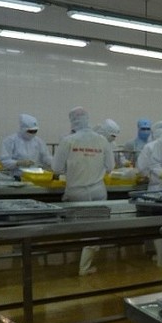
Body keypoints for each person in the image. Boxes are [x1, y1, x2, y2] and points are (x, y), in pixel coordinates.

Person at [52, 107, 114, 275]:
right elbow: (110, 167)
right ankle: (85, 265)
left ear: (72, 122)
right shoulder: (102, 140)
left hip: (76, 192)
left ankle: (83, 267)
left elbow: (56, 168)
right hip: (98, 191)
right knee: (94, 229)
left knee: (82, 228)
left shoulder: (68, 141)